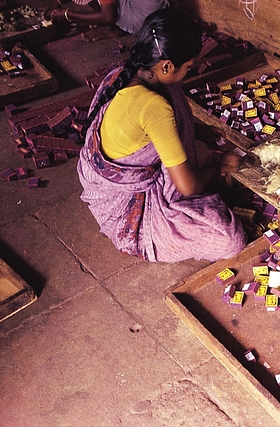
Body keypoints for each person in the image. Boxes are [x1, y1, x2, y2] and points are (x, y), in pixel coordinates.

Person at [77, 9, 247, 263]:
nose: (189, 72)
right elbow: (188, 187)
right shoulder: (154, 106)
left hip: (105, 178)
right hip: (125, 206)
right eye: (188, 67)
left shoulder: (124, 74)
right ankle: (155, 237)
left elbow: (146, 126)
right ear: (166, 65)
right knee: (229, 238)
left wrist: (197, 131)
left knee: (173, 90)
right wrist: (217, 166)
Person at [44, 0, 169, 41]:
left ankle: (112, 27)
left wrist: (68, 14)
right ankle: (109, 25)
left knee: (107, 14)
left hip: (146, 20)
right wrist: (57, 4)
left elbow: (109, 17)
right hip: (148, 14)